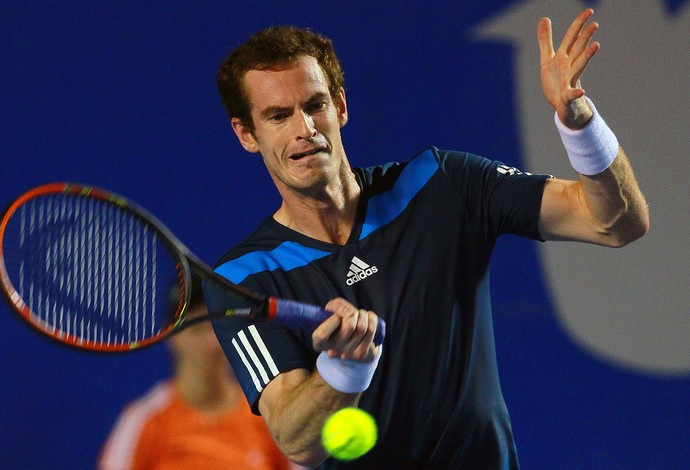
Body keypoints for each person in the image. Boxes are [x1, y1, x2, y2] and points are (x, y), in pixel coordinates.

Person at [204, 8, 649, 469]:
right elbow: (297, 442)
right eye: (278, 116)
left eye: (314, 105)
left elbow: (616, 222)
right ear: (247, 134)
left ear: (339, 106)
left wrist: (579, 123)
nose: (304, 129)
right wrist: (344, 369)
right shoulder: (243, 279)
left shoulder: (439, 182)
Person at [98, 281, 295, 469]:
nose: (212, 343)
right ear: (172, 337)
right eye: (197, 330)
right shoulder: (143, 422)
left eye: (218, 327)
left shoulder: (267, 420)